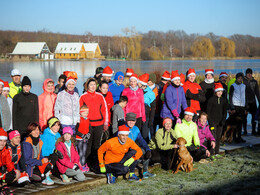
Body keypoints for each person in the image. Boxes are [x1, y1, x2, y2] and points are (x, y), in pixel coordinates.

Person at [79, 78, 108, 151]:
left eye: (94, 84)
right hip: (88, 124)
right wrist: (82, 122)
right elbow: (79, 111)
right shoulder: (83, 96)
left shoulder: (100, 96)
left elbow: (104, 110)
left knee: (97, 144)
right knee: (88, 143)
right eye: (91, 85)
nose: (93, 86)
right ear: (87, 86)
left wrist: (106, 122)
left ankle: (96, 161)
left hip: (99, 123)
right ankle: (87, 161)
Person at [126, 113, 155, 178]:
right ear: (126, 120)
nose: (131, 122)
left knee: (145, 151)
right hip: (125, 151)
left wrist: (147, 149)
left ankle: (145, 172)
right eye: (129, 120)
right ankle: (131, 172)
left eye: (133, 120)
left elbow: (141, 141)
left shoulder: (136, 129)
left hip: (133, 150)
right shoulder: (123, 128)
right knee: (137, 152)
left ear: (135, 121)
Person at [207, 83, 228, 154]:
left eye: (221, 91)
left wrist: (223, 121)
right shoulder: (211, 100)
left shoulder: (224, 100)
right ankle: (211, 152)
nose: (220, 93)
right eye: (218, 91)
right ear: (215, 92)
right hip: (212, 122)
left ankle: (217, 152)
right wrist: (210, 122)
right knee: (213, 137)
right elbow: (208, 112)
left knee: (218, 138)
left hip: (220, 122)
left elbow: (225, 112)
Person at [229, 72, 248, 143]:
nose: (240, 79)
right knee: (234, 123)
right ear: (236, 78)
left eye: (241, 78)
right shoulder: (233, 86)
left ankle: (239, 137)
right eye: (239, 78)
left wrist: (246, 107)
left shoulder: (244, 86)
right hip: (235, 106)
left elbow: (246, 97)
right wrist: (232, 107)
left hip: (242, 106)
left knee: (240, 123)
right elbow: (230, 97)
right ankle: (234, 137)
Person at [138, 73, 156, 143]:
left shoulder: (150, 93)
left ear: (142, 83)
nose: (137, 83)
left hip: (146, 116)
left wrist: (151, 120)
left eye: (138, 82)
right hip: (137, 116)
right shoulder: (137, 90)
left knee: (144, 134)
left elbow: (153, 107)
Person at [75, 105, 93, 173]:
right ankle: (81, 165)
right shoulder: (79, 120)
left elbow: (90, 129)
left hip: (86, 139)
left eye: (87, 113)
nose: (86, 114)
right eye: (84, 113)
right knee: (81, 152)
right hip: (79, 138)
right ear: (81, 113)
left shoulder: (88, 120)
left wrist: (88, 134)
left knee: (85, 152)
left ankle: (84, 164)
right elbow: (76, 130)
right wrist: (82, 135)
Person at [243, 68, 260, 135]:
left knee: (254, 117)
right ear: (246, 74)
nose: (249, 75)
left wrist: (259, 101)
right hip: (245, 102)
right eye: (248, 73)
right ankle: (245, 131)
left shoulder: (254, 82)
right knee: (244, 117)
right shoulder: (243, 81)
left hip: (253, 101)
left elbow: (257, 93)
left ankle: (253, 130)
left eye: (250, 73)